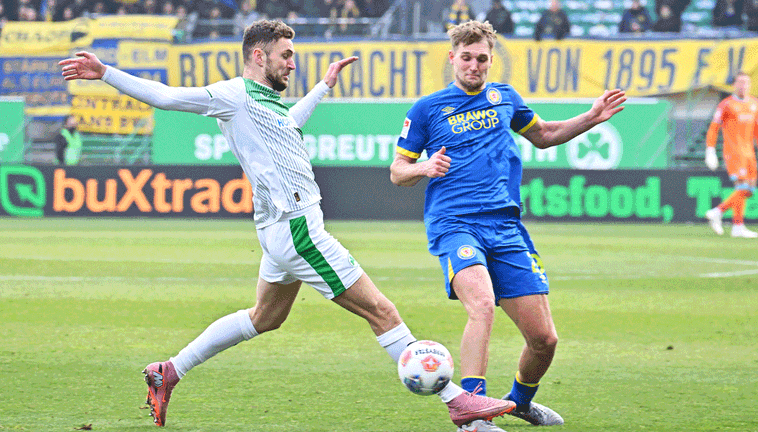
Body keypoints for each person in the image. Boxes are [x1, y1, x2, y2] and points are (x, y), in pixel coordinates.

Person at [59, 19, 517, 430]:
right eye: (286, 55)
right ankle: (459, 405)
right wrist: (107, 74)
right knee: (383, 313)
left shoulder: (267, 103)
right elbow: (165, 96)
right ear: (259, 56)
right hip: (298, 228)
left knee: (266, 317)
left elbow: (287, 125)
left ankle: (169, 371)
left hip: (278, 230)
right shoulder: (233, 95)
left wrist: (323, 86)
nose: (292, 63)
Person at [390, 20, 626, 432]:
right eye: (466, 58)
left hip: (505, 227)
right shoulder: (427, 109)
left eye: (482, 59)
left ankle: (519, 403)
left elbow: (546, 134)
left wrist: (592, 117)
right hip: (455, 224)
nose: (474, 66)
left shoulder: (505, 99)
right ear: (452, 59)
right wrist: (425, 166)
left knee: (544, 340)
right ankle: (472, 414)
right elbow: (397, 171)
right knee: (481, 305)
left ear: (490, 60)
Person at [704, 72, 758, 238]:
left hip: (749, 152)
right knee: (742, 187)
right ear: (734, 85)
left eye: (746, 83)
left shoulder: (755, 103)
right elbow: (714, 127)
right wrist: (710, 149)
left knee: (749, 189)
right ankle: (721, 214)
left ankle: (734, 224)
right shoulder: (726, 104)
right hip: (734, 151)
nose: (743, 86)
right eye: (740, 83)